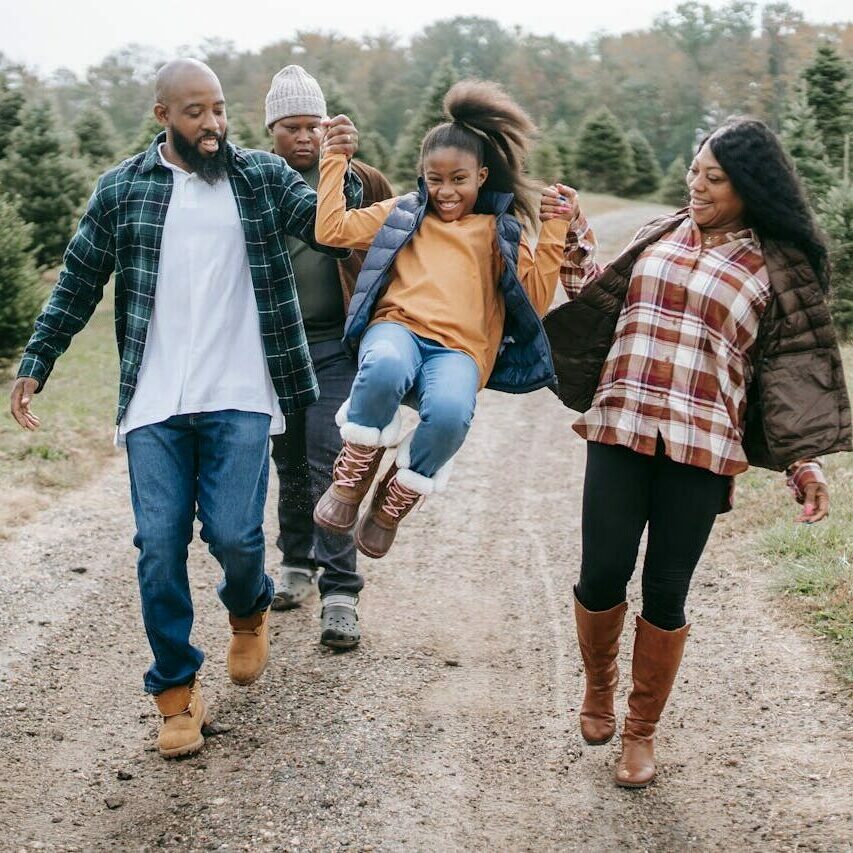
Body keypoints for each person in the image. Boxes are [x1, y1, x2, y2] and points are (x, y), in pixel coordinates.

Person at [9, 59, 361, 759]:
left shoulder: (257, 177)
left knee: (234, 536)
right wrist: (37, 359)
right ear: (162, 115)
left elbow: (331, 228)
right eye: (196, 111)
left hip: (239, 393)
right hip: (155, 400)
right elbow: (79, 277)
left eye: (220, 109)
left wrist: (337, 165)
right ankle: (174, 692)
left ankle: (248, 604)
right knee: (158, 548)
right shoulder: (122, 189)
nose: (213, 124)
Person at [544, 116, 851, 788]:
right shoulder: (660, 232)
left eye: (713, 178)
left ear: (748, 187)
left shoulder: (775, 267)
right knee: (600, 573)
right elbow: (602, 298)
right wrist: (571, 242)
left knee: (664, 590)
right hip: (621, 424)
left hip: (701, 448)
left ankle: (640, 732)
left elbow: (786, 374)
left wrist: (803, 462)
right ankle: (598, 686)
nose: (697, 185)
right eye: (694, 171)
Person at [312, 80, 572, 558]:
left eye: (459, 179)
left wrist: (554, 228)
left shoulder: (499, 231)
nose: (446, 191)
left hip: (460, 351)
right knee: (385, 365)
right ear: (422, 175)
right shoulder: (402, 214)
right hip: (398, 329)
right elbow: (330, 230)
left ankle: (394, 498)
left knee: (452, 415)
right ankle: (352, 477)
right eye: (435, 178)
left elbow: (534, 302)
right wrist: (334, 160)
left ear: (481, 176)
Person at [264, 65, 394, 649]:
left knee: (330, 460)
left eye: (312, 126)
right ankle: (295, 561)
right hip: (273, 349)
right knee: (287, 460)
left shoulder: (359, 179)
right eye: (290, 127)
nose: (303, 138)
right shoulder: (258, 182)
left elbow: (400, 243)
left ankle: (340, 591)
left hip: (337, 346)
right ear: (271, 130)